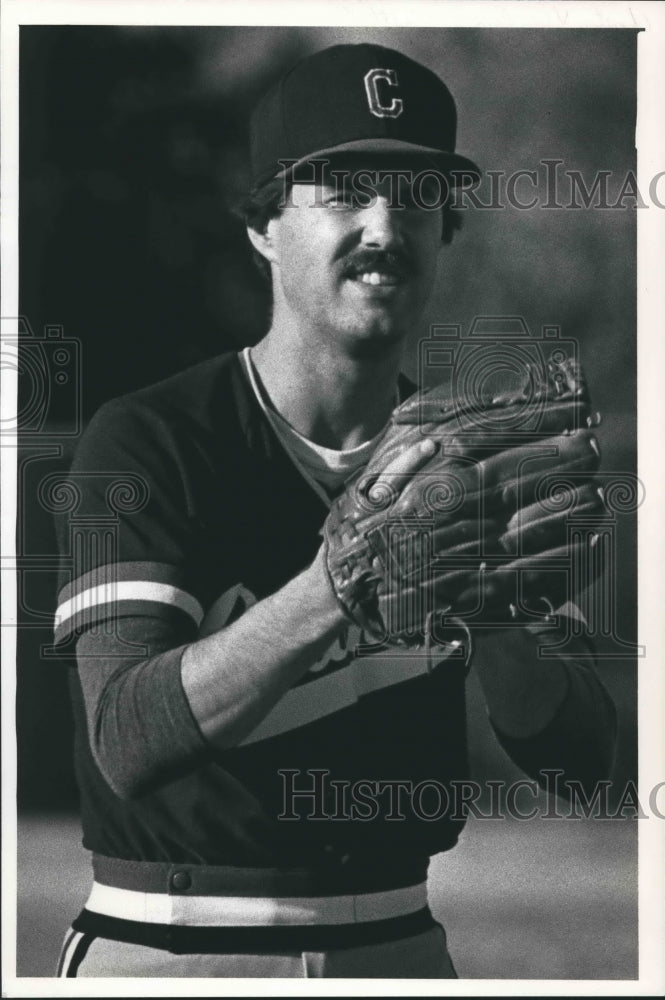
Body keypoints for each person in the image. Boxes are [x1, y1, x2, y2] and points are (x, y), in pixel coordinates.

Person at [53, 43, 616, 979]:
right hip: (175, 945)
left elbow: (581, 767)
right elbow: (128, 738)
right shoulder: (153, 439)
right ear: (266, 226)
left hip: (397, 940)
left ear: (447, 230)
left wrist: (502, 625)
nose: (384, 226)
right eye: (345, 193)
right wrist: (336, 584)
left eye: (415, 195)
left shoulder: (458, 461)